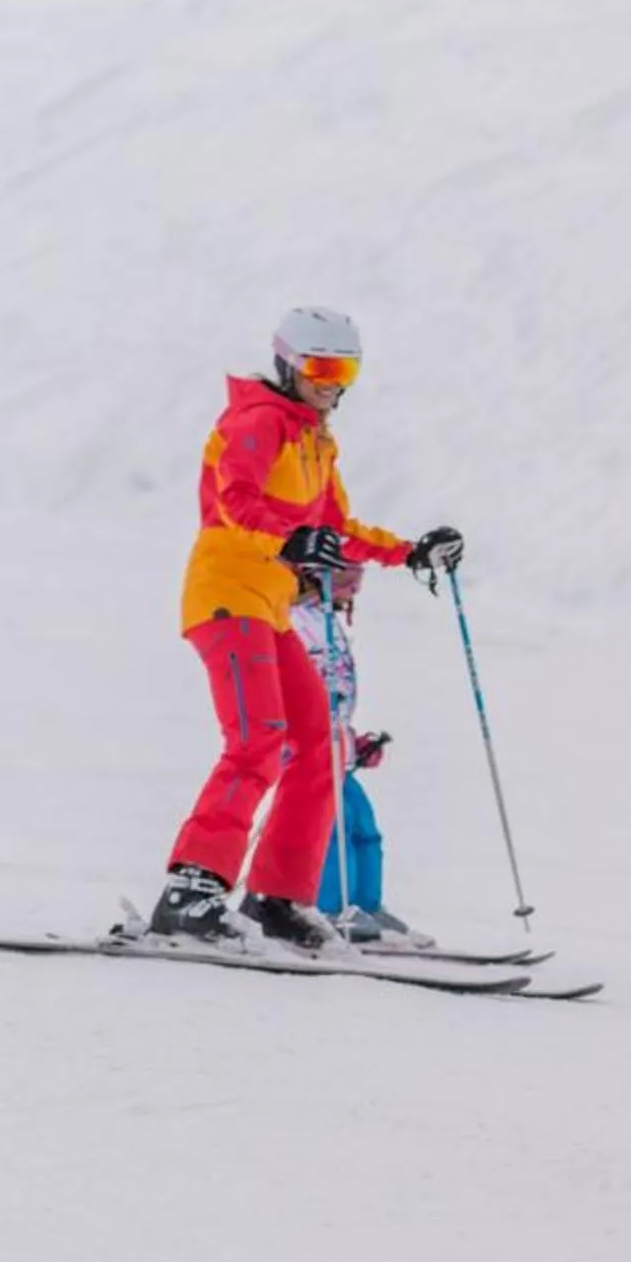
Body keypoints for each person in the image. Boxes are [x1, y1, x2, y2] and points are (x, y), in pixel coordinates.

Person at [148, 307, 462, 949]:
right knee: (257, 740)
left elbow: (335, 530)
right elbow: (235, 500)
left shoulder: (316, 441)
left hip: (268, 608)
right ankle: (192, 890)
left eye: (344, 370)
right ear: (289, 363)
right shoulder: (257, 421)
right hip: (225, 598)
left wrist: (410, 552)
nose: (332, 383)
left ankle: (278, 899)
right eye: (321, 368)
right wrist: (292, 538)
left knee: (317, 740)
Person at [287, 563, 431, 948]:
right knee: (332, 829)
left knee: (364, 827)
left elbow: (335, 698)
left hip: (337, 751)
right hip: (309, 752)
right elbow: (297, 693)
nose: (356, 591)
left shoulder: (327, 621)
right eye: (349, 581)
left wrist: (355, 743)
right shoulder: (294, 621)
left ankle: (366, 905)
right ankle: (330, 907)